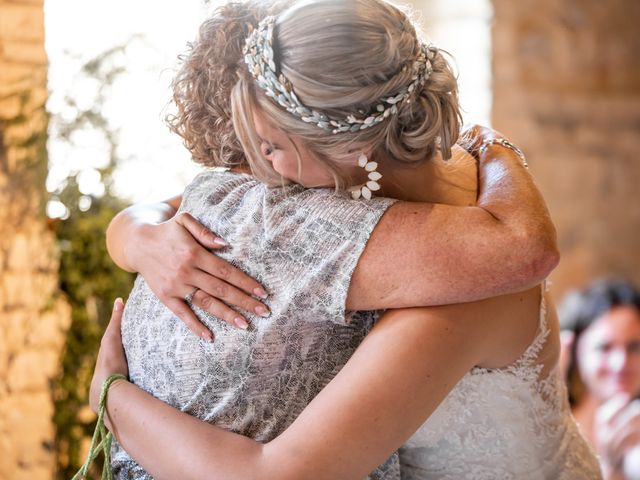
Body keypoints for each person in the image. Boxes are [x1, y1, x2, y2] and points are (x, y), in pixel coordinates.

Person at [93, 0, 601, 478]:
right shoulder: (371, 194)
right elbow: (170, 207)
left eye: (270, 147)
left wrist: (110, 396)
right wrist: (139, 235)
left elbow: (274, 474)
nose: (258, 175)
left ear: (353, 147)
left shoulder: (463, 280)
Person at [560, 279, 640, 479]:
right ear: (577, 352)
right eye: (604, 348)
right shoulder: (554, 433)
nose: (620, 363)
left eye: (634, 347)